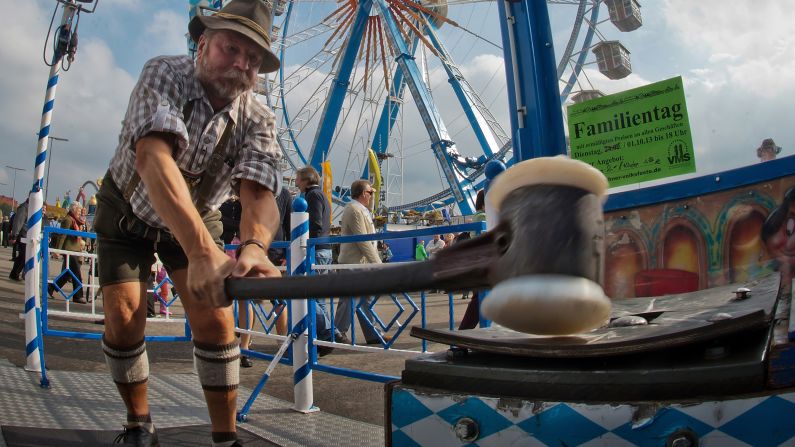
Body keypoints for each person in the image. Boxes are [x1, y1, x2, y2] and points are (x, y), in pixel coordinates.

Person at [93, 1, 283, 445]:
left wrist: (254, 246)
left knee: (217, 322)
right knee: (124, 315)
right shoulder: (165, 74)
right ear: (202, 43)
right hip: (129, 209)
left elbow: (259, 192)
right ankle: (138, 424)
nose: (241, 64)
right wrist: (201, 252)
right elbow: (152, 158)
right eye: (230, 48)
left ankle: (225, 436)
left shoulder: (259, 117)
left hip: (199, 214)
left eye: (253, 59)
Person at [295, 166, 347, 351]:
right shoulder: (319, 195)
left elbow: (315, 223)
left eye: (298, 179)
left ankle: (329, 333)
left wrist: (302, 237)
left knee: (310, 293)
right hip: (324, 248)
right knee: (319, 297)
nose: (295, 182)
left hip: (315, 249)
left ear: (306, 180)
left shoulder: (313, 196)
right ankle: (329, 334)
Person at [334, 180, 390, 345]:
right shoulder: (354, 210)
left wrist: (371, 193)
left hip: (360, 263)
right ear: (362, 193)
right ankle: (337, 333)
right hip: (353, 263)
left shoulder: (362, 210)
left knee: (365, 299)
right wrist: (378, 264)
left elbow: (369, 213)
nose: (372, 195)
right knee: (350, 299)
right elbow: (363, 241)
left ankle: (372, 333)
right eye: (370, 192)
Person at [48, 202, 88, 304]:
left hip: (74, 250)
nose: (79, 212)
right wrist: (58, 250)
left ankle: (51, 287)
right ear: (73, 210)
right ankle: (78, 296)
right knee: (77, 274)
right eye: (78, 210)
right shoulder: (67, 220)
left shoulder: (75, 220)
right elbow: (63, 236)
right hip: (69, 250)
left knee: (67, 274)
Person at [459, 190, 487, 329]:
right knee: (479, 299)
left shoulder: (478, 216)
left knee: (479, 298)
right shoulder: (482, 217)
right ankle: (463, 333)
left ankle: (464, 333)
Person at [8, 200, 28, 281]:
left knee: (23, 256)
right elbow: (18, 222)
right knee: (23, 256)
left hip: (26, 234)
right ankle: (14, 274)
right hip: (23, 234)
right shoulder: (24, 208)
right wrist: (14, 236)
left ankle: (15, 273)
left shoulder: (28, 207)